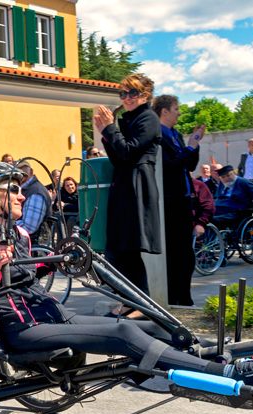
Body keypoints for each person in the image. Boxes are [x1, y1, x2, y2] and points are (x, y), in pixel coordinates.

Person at [0, 164, 253, 388]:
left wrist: (56, 262)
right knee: (123, 331)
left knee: (153, 324)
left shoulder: (19, 235)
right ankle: (229, 376)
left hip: (51, 313)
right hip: (22, 328)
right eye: (12, 189)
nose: (22, 195)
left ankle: (226, 360)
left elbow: (24, 275)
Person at [93, 73, 162, 295]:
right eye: (123, 93)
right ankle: (129, 301)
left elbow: (128, 151)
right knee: (117, 250)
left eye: (133, 92)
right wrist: (106, 133)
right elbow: (118, 157)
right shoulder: (131, 119)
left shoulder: (148, 118)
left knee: (128, 249)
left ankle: (140, 303)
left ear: (145, 95)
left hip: (137, 186)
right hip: (125, 184)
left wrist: (109, 129)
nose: (127, 98)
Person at [153, 94, 206, 306]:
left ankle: (184, 297)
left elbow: (189, 165)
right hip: (170, 201)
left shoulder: (175, 134)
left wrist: (195, 144)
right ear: (164, 111)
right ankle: (175, 298)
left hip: (184, 200)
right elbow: (170, 165)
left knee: (186, 255)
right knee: (176, 254)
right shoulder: (158, 135)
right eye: (176, 109)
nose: (179, 113)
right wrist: (189, 148)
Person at [213, 165, 253, 230]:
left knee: (213, 219)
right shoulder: (222, 183)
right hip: (220, 210)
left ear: (234, 173)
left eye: (228, 175)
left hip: (237, 212)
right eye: (223, 177)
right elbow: (216, 197)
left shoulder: (244, 183)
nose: (226, 179)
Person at [15, 161, 52, 240]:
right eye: (17, 170)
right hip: (23, 241)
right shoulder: (23, 189)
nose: (20, 173)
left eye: (23, 170)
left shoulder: (36, 192)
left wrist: (5, 224)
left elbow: (28, 228)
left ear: (31, 171)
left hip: (33, 242)